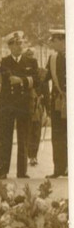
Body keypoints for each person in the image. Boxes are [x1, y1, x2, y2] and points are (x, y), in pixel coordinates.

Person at [0, 31, 37, 179]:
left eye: (21, 43)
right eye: (16, 44)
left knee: (23, 137)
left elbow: (37, 80)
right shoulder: (3, 61)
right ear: (10, 46)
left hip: (24, 104)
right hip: (7, 104)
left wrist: (21, 81)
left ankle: (22, 172)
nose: (20, 46)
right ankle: (2, 170)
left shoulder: (31, 61)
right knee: (4, 137)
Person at [46, 28, 67, 178]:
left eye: (53, 41)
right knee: (58, 136)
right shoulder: (53, 59)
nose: (52, 44)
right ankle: (59, 168)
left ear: (61, 40)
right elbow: (45, 77)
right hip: (58, 103)